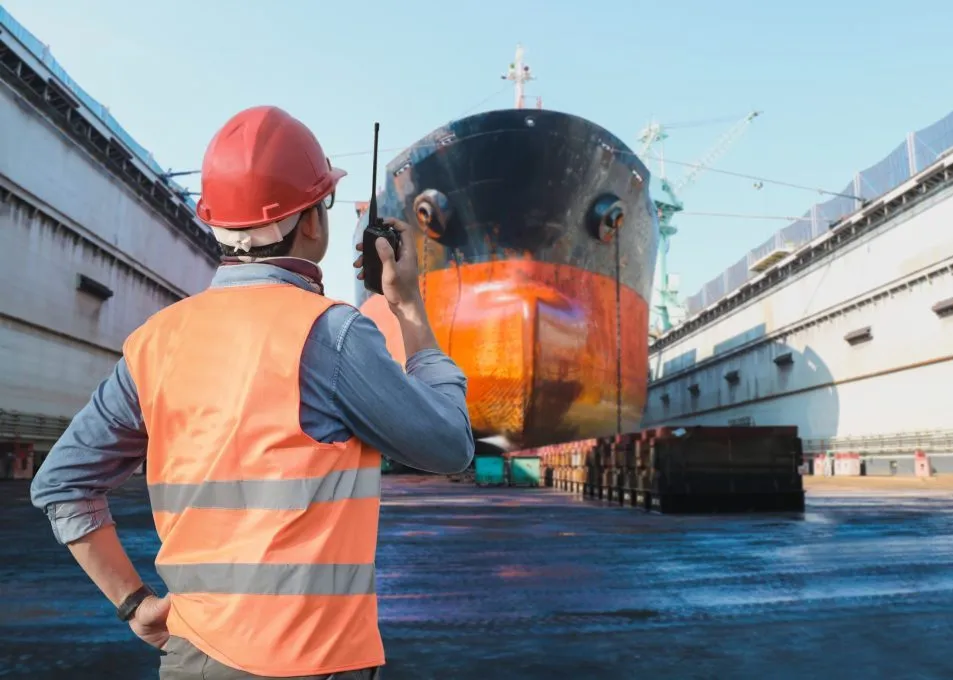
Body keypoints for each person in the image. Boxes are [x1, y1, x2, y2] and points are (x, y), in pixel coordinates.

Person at [30, 105, 475, 680]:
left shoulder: (155, 342)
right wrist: (408, 307)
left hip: (190, 658)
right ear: (311, 221)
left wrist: (134, 603)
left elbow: (62, 484)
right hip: (310, 663)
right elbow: (449, 444)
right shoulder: (331, 332)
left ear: (216, 223)